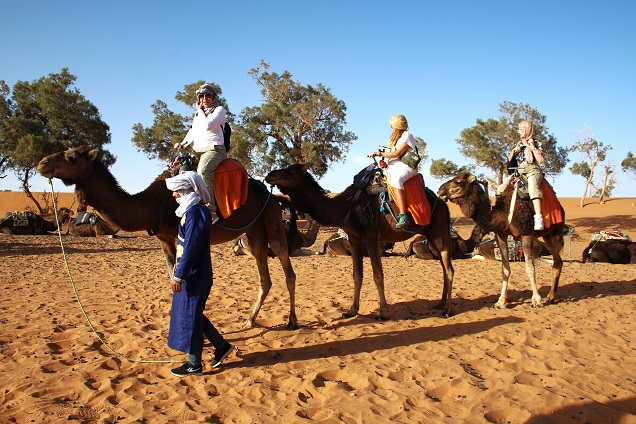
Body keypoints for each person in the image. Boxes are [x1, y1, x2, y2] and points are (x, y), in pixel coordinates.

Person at [165, 171, 233, 377]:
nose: (174, 195)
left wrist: (179, 275)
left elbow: (192, 247)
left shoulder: (195, 213)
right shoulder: (193, 211)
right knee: (192, 314)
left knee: (190, 317)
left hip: (194, 275)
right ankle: (221, 346)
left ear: (185, 190)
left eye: (176, 191)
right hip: (193, 273)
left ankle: (194, 364)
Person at [174, 83, 227, 224]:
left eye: (208, 95)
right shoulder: (199, 115)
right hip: (197, 151)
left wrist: (199, 111)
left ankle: (210, 211)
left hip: (214, 150)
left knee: (203, 171)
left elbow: (207, 125)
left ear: (213, 97)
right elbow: (194, 131)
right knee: (181, 171)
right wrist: (183, 143)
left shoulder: (219, 110)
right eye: (202, 96)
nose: (205, 98)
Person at [368, 114, 419, 229]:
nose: (391, 128)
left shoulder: (407, 136)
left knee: (396, 180)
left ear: (396, 126)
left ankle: (403, 215)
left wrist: (379, 153)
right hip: (396, 165)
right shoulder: (397, 139)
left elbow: (397, 154)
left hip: (407, 166)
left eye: (392, 126)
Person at [507, 120, 545, 231]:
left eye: (521, 129)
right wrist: (514, 151)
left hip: (533, 169)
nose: (519, 132)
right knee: (502, 188)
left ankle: (538, 217)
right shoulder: (519, 144)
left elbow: (540, 160)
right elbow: (509, 160)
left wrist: (531, 146)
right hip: (520, 170)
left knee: (533, 188)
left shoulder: (537, 143)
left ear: (527, 130)